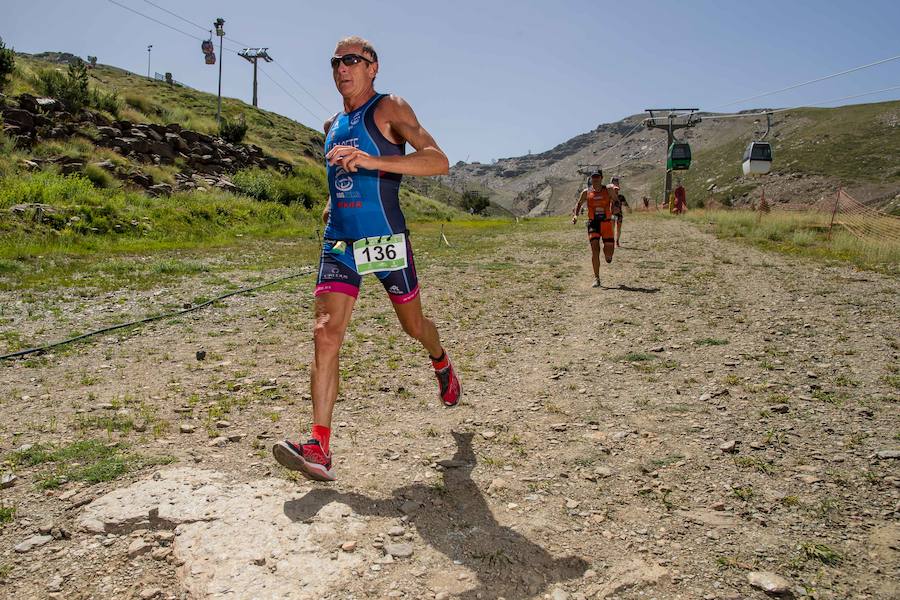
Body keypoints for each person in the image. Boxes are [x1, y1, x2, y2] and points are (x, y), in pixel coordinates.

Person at [273, 36, 460, 482]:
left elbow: (438, 161)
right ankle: (319, 445)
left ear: (372, 67)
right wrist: (330, 204)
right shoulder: (331, 124)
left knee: (413, 326)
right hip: (340, 242)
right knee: (325, 332)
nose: (342, 67)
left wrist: (374, 162)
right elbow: (340, 175)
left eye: (352, 60)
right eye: (335, 61)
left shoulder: (390, 108)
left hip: (384, 239)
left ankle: (440, 360)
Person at [572, 171, 618, 288]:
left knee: (608, 253)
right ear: (591, 179)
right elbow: (579, 203)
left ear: (602, 178)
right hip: (593, 223)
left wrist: (616, 209)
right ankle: (596, 278)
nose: (595, 179)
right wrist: (575, 215)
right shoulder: (586, 192)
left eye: (597, 177)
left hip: (607, 223)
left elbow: (616, 201)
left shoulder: (608, 190)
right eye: (593, 177)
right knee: (594, 249)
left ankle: (608, 254)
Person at [610, 176, 629, 247]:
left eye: (616, 183)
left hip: (619, 214)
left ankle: (617, 240)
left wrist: (628, 208)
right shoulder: (609, 196)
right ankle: (613, 240)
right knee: (612, 228)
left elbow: (626, 205)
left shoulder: (621, 197)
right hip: (611, 214)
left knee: (618, 228)